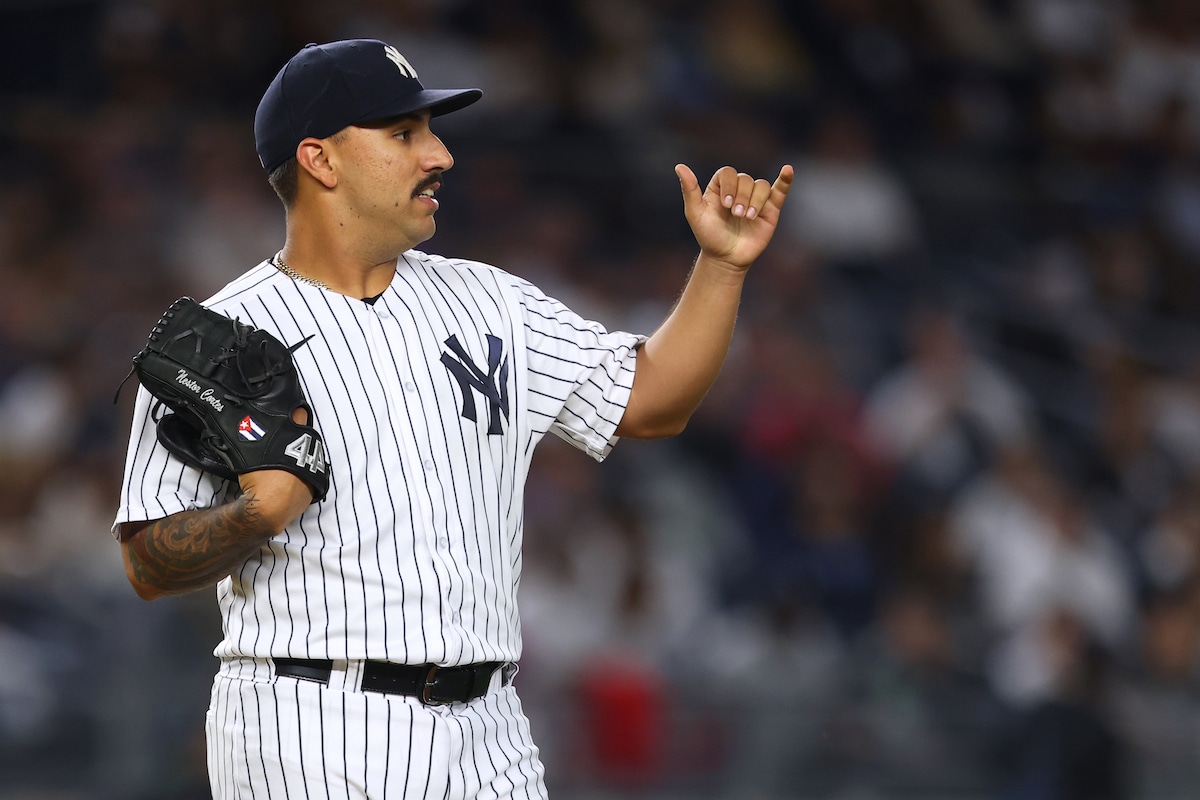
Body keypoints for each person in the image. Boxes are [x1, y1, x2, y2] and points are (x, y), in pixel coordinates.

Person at [112, 38, 791, 799]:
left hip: (491, 726)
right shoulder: (226, 334)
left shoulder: (491, 300)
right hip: (311, 717)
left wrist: (723, 267)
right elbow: (148, 562)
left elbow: (650, 402)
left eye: (430, 131)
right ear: (320, 160)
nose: (439, 155)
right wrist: (256, 513)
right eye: (403, 133)